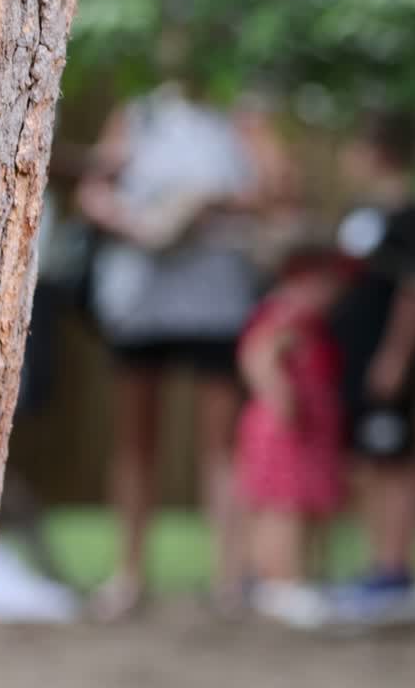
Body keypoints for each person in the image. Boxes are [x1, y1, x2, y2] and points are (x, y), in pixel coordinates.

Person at [76, 83, 296, 620]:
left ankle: (228, 580)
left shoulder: (244, 116)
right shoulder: (140, 113)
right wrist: (130, 220)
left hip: (215, 303)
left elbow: (278, 195)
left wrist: (209, 201)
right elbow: (93, 191)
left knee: (219, 444)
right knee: (135, 443)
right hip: (141, 303)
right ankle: (127, 576)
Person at [327, 111, 415, 619]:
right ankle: (378, 564)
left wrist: (395, 356)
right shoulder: (362, 216)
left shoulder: (410, 216)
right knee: (370, 461)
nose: (345, 159)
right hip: (356, 359)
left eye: (353, 148)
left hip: (387, 364)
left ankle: (396, 568)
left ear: (378, 153)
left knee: (394, 459)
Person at [235, 247, 357, 628]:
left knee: (305, 505)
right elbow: (258, 355)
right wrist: (281, 397)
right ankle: (279, 581)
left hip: (308, 427)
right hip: (286, 428)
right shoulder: (286, 314)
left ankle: (301, 578)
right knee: (282, 506)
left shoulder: (308, 320)